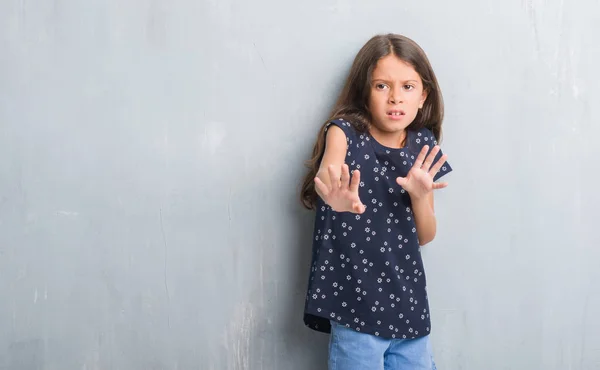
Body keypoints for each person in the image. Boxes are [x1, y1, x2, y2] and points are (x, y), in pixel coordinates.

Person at [299, 33, 453, 370]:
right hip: (356, 307)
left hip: (409, 308)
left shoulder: (423, 145)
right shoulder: (344, 132)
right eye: (382, 86)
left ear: (423, 94)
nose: (395, 98)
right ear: (364, 92)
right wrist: (335, 199)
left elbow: (426, 235)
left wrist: (419, 194)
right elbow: (328, 177)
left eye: (408, 87)